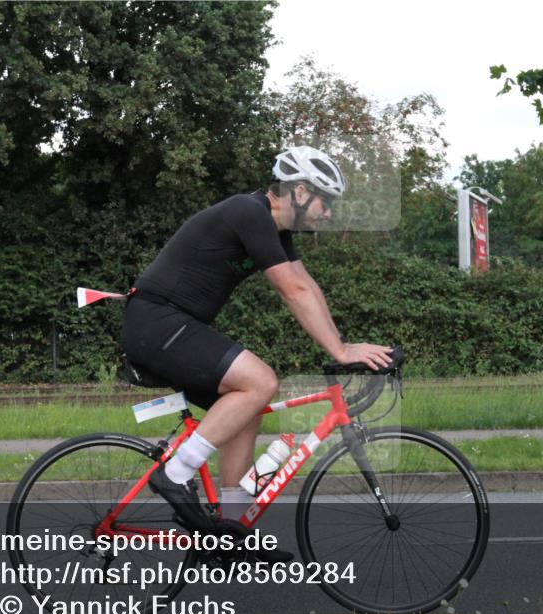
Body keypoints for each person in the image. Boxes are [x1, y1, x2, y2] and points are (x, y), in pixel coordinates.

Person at [119, 146, 394, 552]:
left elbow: (308, 285)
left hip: (171, 325)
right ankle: (175, 473)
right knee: (261, 381)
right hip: (158, 323)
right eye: (326, 201)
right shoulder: (249, 213)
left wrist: (347, 344)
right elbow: (293, 291)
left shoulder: (274, 228)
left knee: (245, 411)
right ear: (300, 192)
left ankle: (230, 532)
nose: (329, 213)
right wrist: (340, 351)